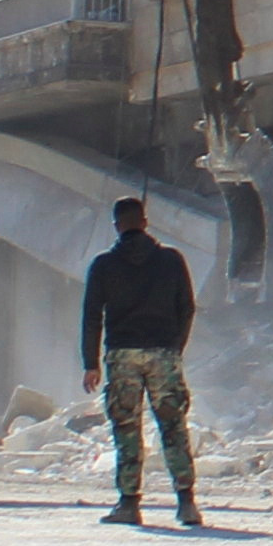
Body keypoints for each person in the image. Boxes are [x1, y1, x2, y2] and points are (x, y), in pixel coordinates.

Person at [76, 198, 202, 527]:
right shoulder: (172, 260)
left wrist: (91, 363)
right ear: (145, 223)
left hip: (122, 355)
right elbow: (187, 307)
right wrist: (175, 347)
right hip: (164, 353)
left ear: (117, 226)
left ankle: (129, 504)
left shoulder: (103, 265)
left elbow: (92, 317)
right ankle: (186, 502)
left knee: (126, 428)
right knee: (173, 426)